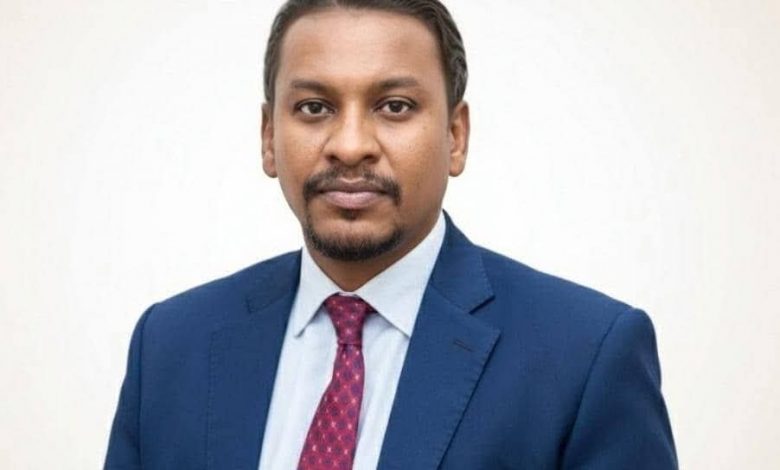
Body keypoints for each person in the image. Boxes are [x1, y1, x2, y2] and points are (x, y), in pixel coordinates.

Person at [105, 1, 677, 469]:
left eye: (395, 106)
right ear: (268, 137)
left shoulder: (585, 356)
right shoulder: (170, 345)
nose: (350, 145)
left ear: (455, 136)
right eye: (314, 107)